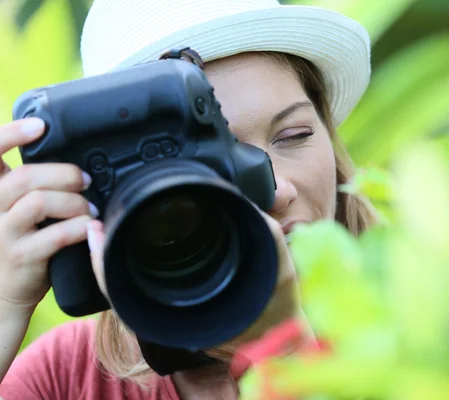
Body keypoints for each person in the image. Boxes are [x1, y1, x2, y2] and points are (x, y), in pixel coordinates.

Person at [0, 0, 377, 398]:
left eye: (293, 136)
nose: (278, 188)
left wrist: (279, 352)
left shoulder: (427, 320)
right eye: (218, 165)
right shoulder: (64, 378)